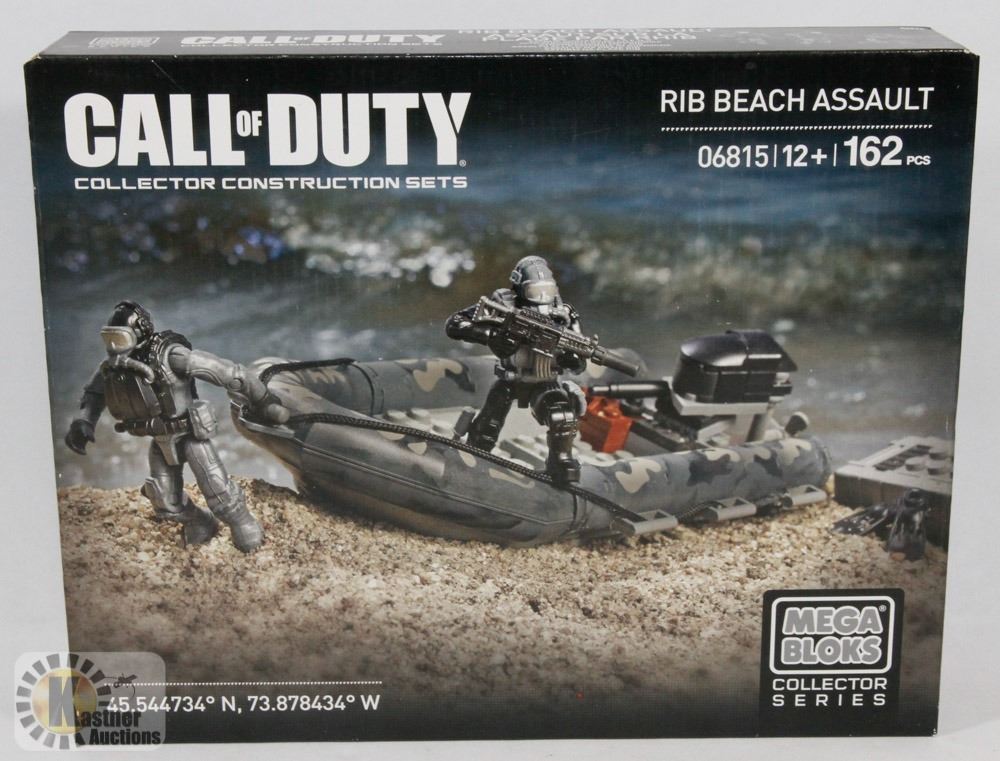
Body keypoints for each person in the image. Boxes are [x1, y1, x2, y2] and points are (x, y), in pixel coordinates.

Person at [65, 300, 288, 552]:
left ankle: (243, 524)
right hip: (159, 439)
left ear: (138, 333)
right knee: (164, 500)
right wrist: (84, 421)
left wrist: (263, 401)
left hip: (189, 435)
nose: (114, 346)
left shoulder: (170, 356)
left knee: (218, 491)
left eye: (120, 338)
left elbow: (228, 373)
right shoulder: (113, 368)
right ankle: (199, 522)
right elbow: (94, 394)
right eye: (109, 338)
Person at [446, 257, 588, 483]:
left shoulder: (564, 314)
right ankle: (474, 458)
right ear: (520, 288)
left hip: (545, 380)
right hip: (510, 379)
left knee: (562, 418)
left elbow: (580, 360)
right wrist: (491, 336)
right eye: (534, 291)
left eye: (547, 290)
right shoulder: (505, 305)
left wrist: (572, 358)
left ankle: (561, 466)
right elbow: (455, 324)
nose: (542, 296)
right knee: (487, 426)